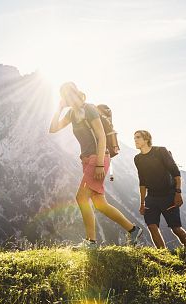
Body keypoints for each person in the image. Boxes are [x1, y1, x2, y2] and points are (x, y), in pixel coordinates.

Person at [49, 82, 143, 249]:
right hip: (87, 161)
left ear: (75, 93)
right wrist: (59, 108)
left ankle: (91, 242)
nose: (66, 98)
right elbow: (53, 128)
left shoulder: (90, 109)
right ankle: (133, 230)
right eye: (63, 96)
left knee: (81, 197)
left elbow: (101, 137)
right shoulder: (71, 113)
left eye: (67, 95)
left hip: (97, 159)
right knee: (100, 204)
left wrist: (99, 164)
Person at [133, 130, 186, 249]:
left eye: (138, 137)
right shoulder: (137, 159)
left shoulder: (161, 151)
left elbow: (176, 172)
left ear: (146, 139)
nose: (135, 140)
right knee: (152, 226)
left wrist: (178, 193)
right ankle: (163, 254)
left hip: (168, 195)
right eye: (134, 138)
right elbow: (142, 181)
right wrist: (142, 203)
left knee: (176, 228)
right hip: (151, 197)